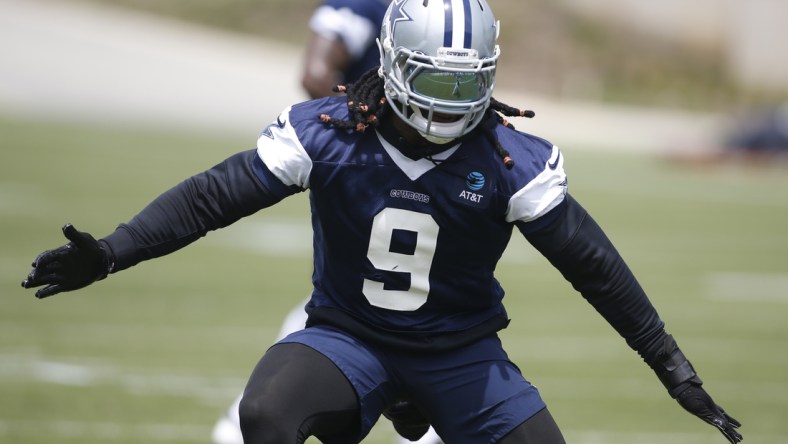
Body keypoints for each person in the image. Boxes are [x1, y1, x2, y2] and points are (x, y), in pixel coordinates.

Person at [21, 0, 743, 443]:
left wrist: (674, 369)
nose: (450, 99)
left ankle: (415, 400)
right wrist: (113, 252)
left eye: (466, 82)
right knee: (266, 415)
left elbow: (598, 271)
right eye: (435, 79)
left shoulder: (511, 160)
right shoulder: (330, 132)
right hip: (347, 337)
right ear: (393, 66)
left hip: (461, 353)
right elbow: (214, 197)